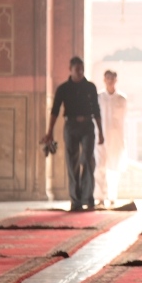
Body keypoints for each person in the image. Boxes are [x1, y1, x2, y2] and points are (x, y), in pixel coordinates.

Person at [42, 57, 104, 211]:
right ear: (70, 69)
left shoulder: (90, 87)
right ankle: (76, 200)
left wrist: (101, 132)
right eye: (77, 69)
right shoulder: (63, 89)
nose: (80, 72)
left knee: (88, 159)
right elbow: (55, 111)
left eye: (82, 69)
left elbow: (96, 110)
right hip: (71, 125)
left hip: (88, 126)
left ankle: (88, 197)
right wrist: (49, 132)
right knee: (72, 162)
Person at [95, 69, 127, 206]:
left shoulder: (121, 99)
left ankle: (113, 196)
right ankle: (100, 197)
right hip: (100, 136)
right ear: (104, 80)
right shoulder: (99, 97)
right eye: (107, 78)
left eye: (112, 78)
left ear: (115, 80)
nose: (110, 81)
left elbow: (121, 119)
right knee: (100, 166)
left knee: (114, 168)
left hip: (116, 138)